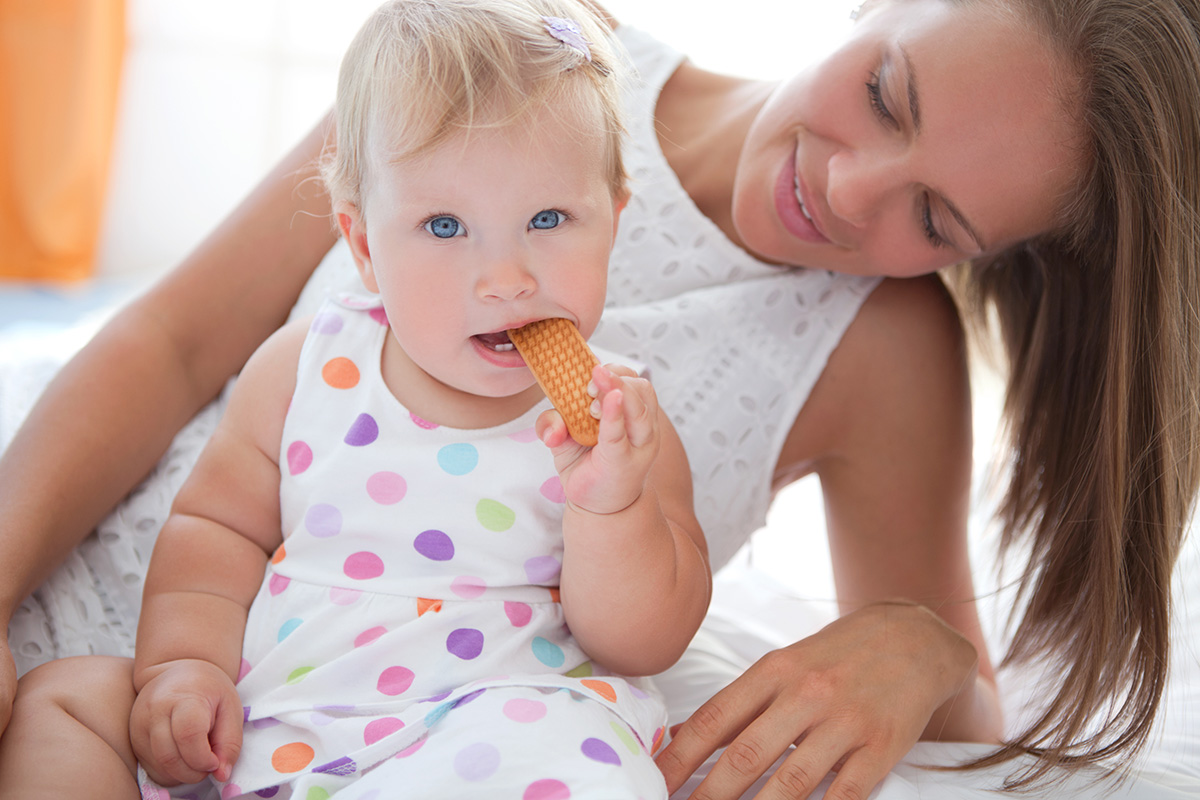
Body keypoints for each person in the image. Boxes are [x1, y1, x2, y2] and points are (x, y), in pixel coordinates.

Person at [2, 0, 1197, 797]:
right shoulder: (506, 50)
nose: (845, 186)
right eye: (888, 94)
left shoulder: (880, 350)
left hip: (429, 723)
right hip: (119, 617)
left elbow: (964, 704)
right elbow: (166, 345)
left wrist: (921, 644)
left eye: (936, 219)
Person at [0, 1, 711, 797]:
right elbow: (217, 531)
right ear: (365, 246)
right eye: (444, 227)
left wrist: (611, 508)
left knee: (583, 760)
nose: (505, 277)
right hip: (276, 723)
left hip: (498, 723)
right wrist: (185, 669)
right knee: (65, 697)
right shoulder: (309, 364)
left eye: (548, 219)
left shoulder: (618, 422)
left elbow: (644, 641)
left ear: (612, 221)